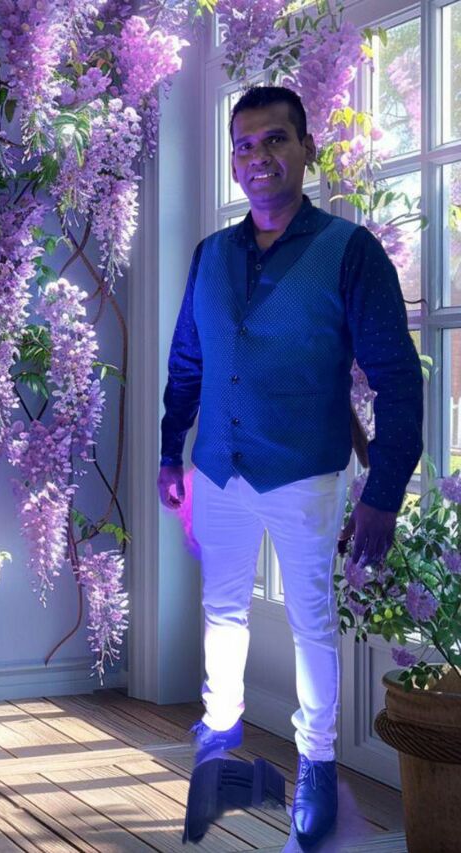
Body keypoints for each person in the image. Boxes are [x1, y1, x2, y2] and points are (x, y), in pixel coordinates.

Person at [157, 85, 423, 846]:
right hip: (218, 470)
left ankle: (317, 766)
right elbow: (187, 363)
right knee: (223, 610)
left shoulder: (350, 251)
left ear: (307, 148)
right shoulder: (211, 255)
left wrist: (383, 493)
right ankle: (216, 743)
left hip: (305, 473)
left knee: (310, 622)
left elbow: (399, 379)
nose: (259, 157)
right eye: (244, 145)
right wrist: (172, 449)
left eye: (275, 139)